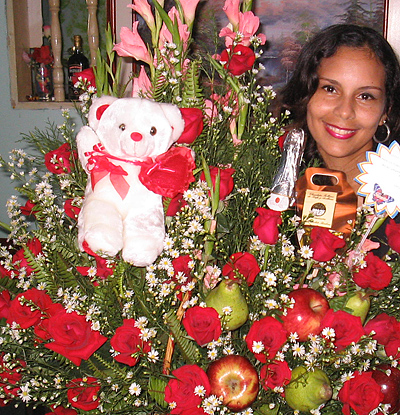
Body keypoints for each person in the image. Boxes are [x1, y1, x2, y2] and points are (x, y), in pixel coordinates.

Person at [280, 24, 400, 254]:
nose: (345, 111)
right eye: (330, 89)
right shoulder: (270, 184)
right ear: (307, 94)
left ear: (386, 110)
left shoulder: (396, 198)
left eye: (365, 96)